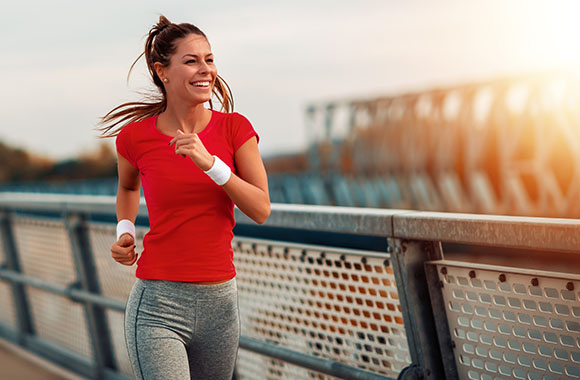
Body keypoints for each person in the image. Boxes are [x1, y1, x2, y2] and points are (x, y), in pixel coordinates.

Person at [98, 15, 270, 380]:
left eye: (209, 59)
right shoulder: (134, 138)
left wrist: (211, 164)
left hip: (220, 305)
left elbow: (260, 208)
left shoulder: (235, 128)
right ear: (163, 72)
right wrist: (124, 230)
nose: (205, 69)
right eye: (191, 61)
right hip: (158, 303)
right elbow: (128, 188)